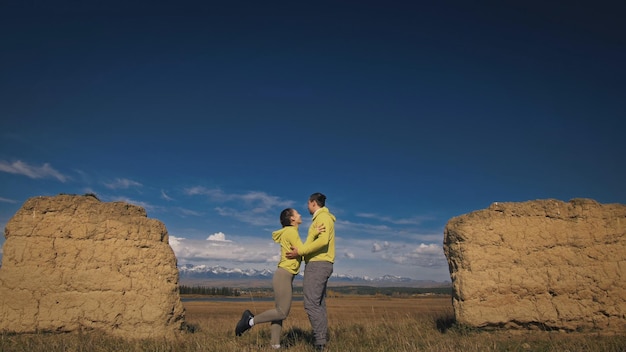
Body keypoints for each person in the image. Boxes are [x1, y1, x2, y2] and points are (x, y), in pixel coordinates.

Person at [235, 208, 324, 349]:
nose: (300, 214)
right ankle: (249, 321)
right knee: (282, 312)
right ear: (292, 219)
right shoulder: (291, 232)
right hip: (284, 275)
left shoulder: (290, 232)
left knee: (278, 312)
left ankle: (275, 345)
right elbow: (303, 250)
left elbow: (299, 251)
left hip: (284, 275)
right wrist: (313, 234)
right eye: (297, 213)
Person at [286, 192, 336, 351]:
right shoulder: (322, 218)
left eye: (308, 203)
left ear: (314, 203)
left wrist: (300, 251)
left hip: (318, 264)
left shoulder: (322, 218)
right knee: (318, 304)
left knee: (311, 304)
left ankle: (319, 343)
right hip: (320, 263)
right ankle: (321, 340)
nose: (307, 206)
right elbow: (316, 240)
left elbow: (322, 241)